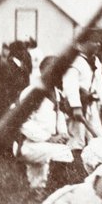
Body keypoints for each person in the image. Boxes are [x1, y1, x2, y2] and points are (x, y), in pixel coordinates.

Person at [13, 57, 77, 191]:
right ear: (42, 71)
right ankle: (58, 188)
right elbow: (22, 122)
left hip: (44, 144)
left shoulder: (57, 93)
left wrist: (63, 134)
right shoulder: (31, 92)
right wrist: (49, 138)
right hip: (27, 144)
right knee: (64, 153)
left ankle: (41, 191)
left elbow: (59, 116)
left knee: (37, 185)